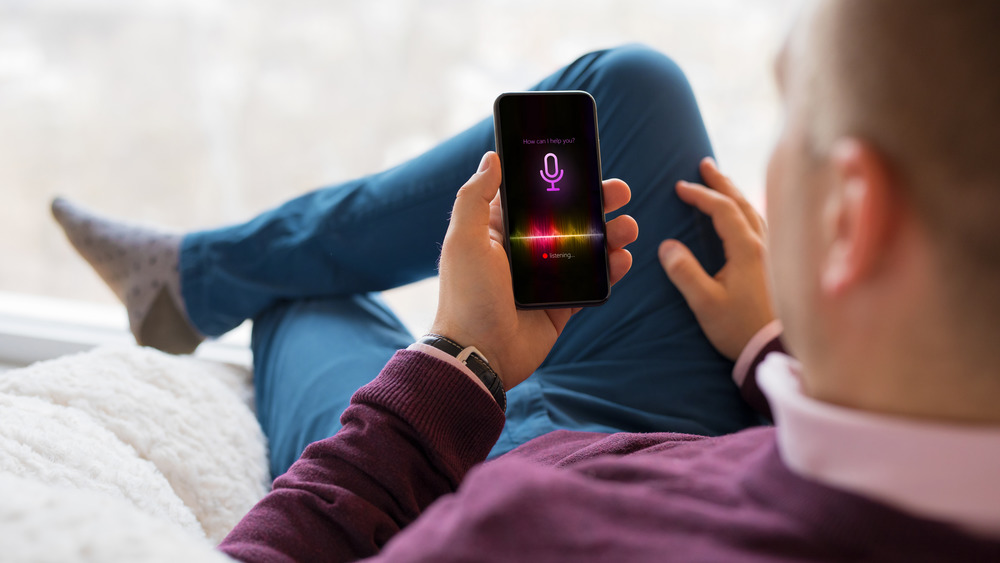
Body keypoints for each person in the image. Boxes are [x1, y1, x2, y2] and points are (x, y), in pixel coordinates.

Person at [52, 0, 1000, 560]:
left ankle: (210, 278)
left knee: (308, 300)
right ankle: (201, 274)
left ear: (848, 222)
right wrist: (774, 351)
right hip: (707, 429)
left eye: (799, 123)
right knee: (625, 87)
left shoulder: (522, 533)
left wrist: (461, 363)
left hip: (467, 467)